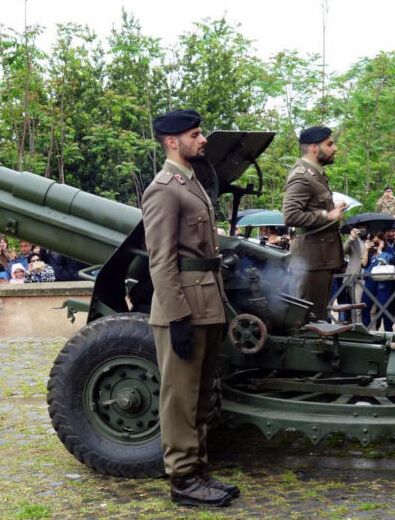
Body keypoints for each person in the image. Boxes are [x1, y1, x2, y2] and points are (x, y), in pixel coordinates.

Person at [142, 109, 236, 507]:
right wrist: (178, 317)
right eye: (196, 134)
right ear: (171, 141)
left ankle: (198, 469)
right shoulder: (163, 188)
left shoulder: (191, 181)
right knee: (179, 397)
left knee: (199, 395)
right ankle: (182, 479)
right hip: (183, 307)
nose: (203, 140)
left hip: (207, 302)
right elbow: (160, 260)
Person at [283, 125, 346, 321]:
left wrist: (331, 210)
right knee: (308, 320)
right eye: (329, 144)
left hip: (319, 258)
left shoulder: (315, 174)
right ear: (313, 148)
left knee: (318, 317)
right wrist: (327, 215)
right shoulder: (302, 176)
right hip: (311, 260)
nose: (334, 148)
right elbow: (290, 216)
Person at [360, 233, 395, 330]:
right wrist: (366, 250)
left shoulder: (388, 250)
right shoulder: (369, 251)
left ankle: (388, 332)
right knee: (365, 306)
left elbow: (389, 260)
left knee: (384, 308)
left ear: (382, 240)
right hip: (370, 280)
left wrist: (380, 250)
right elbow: (363, 265)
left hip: (383, 281)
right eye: (373, 241)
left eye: (378, 241)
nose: (375, 243)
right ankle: (368, 331)